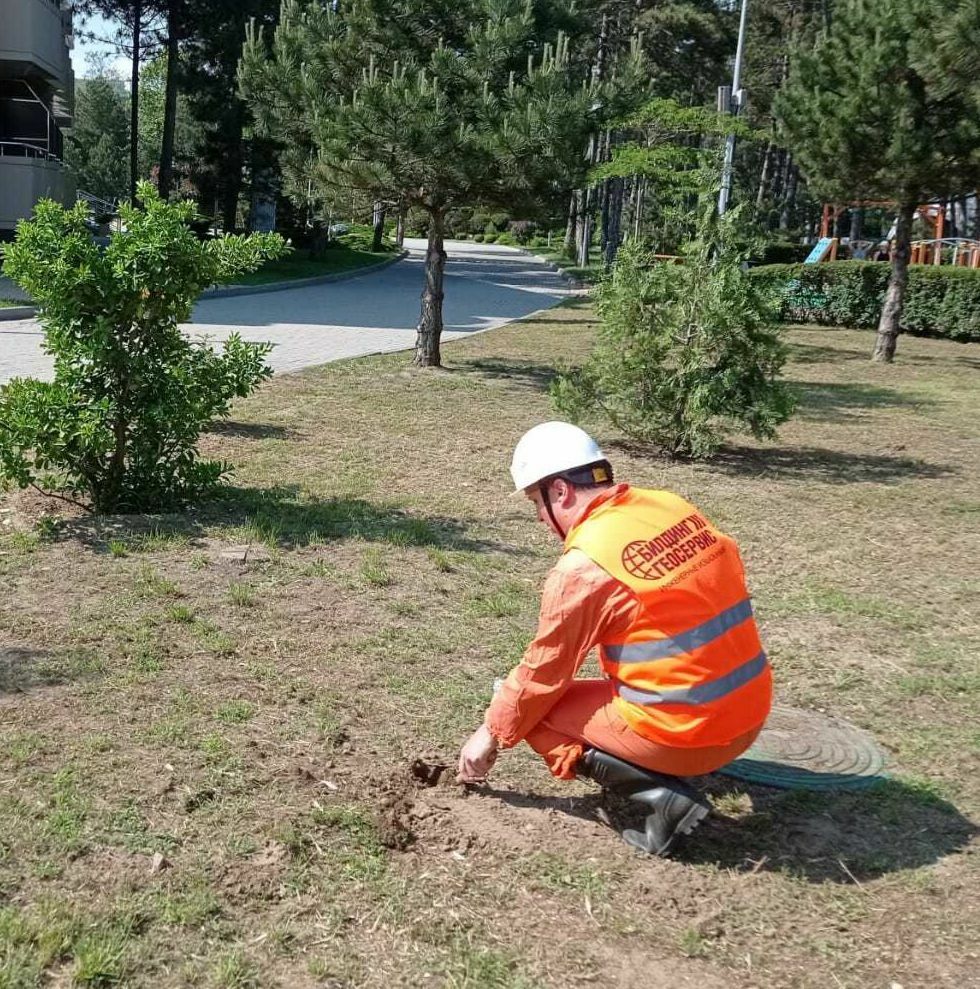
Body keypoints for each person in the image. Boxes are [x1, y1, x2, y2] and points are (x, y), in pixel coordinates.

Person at [457, 422, 772, 856]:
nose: (540, 519)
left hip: (693, 736)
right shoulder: (668, 505)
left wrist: (489, 733)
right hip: (751, 715)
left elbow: (542, 674)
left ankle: (664, 799)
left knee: (528, 711)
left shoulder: (584, 569)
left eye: (536, 502)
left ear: (561, 492)